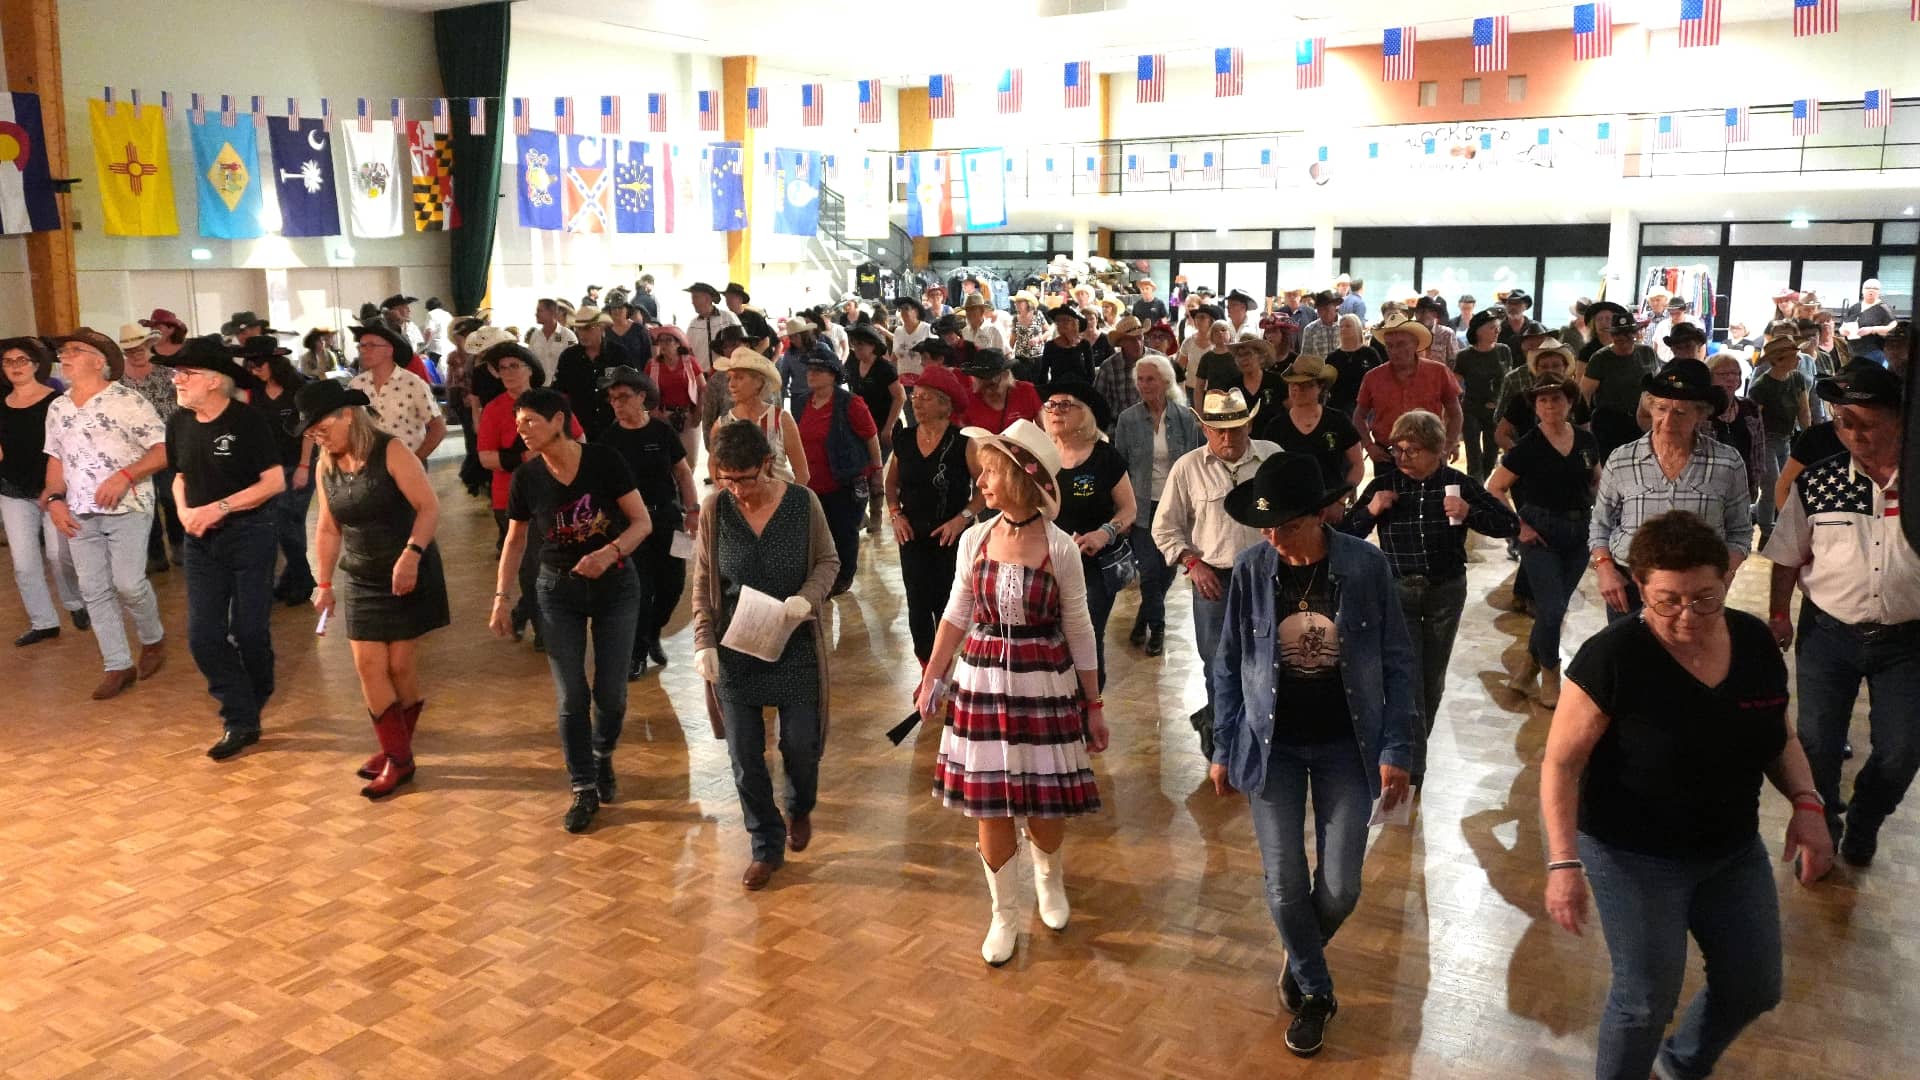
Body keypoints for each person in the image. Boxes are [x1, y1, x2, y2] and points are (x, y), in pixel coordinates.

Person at [1542, 510, 1832, 1080]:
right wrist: (1561, 861)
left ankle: (1677, 1067)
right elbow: (1560, 765)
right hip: (1631, 853)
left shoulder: (1751, 643)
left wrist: (1808, 802)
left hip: (1730, 848)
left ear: (1724, 582)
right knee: (1644, 1000)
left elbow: (1779, 735)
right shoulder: (1613, 656)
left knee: (1754, 985)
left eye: (1704, 599)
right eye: (1666, 601)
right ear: (1640, 589)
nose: (1687, 616)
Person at [1209, 452, 1416, 1058]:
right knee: (1283, 885)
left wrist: (1399, 747)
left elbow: (1401, 662)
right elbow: (1226, 666)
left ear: (1321, 515)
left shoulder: (1366, 566)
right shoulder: (1251, 569)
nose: (1274, 538)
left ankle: (1300, 952)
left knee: (1341, 888)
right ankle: (1317, 991)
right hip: (1269, 745)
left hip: (1347, 745)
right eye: (1265, 528)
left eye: (1287, 526)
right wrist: (1223, 746)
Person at [914, 418, 1107, 966]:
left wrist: (1093, 705)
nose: (981, 482)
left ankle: (1049, 879)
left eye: (992, 471)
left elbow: (1080, 627)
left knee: (1044, 799)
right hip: (982, 680)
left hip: (1043, 682)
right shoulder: (976, 538)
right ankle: (1003, 912)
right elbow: (957, 612)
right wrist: (933, 673)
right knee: (991, 804)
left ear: (1023, 477)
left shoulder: (1061, 547)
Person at [1764, 362, 1916, 866]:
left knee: (1901, 751)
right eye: (1841, 421)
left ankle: (1868, 816)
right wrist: (1779, 615)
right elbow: (1787, 554)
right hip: (1827, 633)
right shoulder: (1818, 483)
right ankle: (1823, 828)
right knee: (1817, 743)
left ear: (1899, 417)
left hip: (1908, 642)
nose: (1851, 433)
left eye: (1864, 421)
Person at [491, 388, 652, 834]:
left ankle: (602, 757)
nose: (521, 431)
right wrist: (502, 598)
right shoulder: (527, 478)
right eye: (518, 423)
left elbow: (643, 522)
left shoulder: (603, 460)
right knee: (572, 696)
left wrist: (609, 553)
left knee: (612, 696)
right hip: (557, 589)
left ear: (558, 420)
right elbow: (515, 540)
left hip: (615, 585)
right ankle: (583, 786)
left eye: (529, 422)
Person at [692, 421, 839, 889]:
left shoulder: (802, 504)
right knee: (743, 756)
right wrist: (703, 643)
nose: (737, 490)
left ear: (768, 465)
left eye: (746, 479)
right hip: (737, 649)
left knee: (800, 744)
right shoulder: (716, 509)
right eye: (726, 479)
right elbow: (702, 584)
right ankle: (765, 845)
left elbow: (828, 562)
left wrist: (808, 597)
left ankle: (799, 806)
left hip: (793, 642)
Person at [1343, 409, 1517, 780]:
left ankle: (1410, 756)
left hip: (1445, 592)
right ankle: (1408, 763)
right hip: (1397, 591)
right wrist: (1371, 511)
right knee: (1406, 677)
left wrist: (1470, 513)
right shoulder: (1384, 484)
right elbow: (1346, 535)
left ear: (1437, 450)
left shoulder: (1458, 483)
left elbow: (1508, 525)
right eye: (1397, 449)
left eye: (1412, 450)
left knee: (1431, 680)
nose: (1402, 457)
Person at [301, 380, 449, 798]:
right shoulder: (326, 464)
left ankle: (393, 750)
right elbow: (329, 527)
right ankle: (399, 758)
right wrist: (324, 582)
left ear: (347, 414)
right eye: (312, 434)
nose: (318, 438)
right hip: (363, 575)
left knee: (400, 667)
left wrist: (412, 554)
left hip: (407, 568)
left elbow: (429, 507)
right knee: (369, 665)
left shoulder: (392, 452)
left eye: (321, 429)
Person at [164, 337, 287, 760]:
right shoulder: (179, 422)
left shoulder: (248, 422)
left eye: (186, 373)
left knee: (250, 631)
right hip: (199, 539)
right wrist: (184, 512)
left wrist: (217, 508)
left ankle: (254, 697)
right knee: (203, 637)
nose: (177, 380)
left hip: (250, 532)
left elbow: (273, 483)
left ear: (215, 381)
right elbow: (179, 475)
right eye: (175, 373)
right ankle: (240, 717)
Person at [1152, 388, 1282, 756]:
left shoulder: (1272, 458)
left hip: (1268, 577)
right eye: (1218, 429)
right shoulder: (1188, 467)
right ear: (1204, 428)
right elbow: (1165, 529)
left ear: (1250, 424)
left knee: (1266, 660)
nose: (1228, 438)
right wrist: (1192, 564)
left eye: (1237, 428)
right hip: (1215, 580)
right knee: (1219, 664)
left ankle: (1262, 736)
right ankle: (1224, 738)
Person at [42, 328, 170, 700]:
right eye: (62, 351)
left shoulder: (127, 401)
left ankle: (153, 637)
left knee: (128, 583)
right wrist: (54, 501)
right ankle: (117, 663)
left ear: (100, 362)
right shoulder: (58, 407)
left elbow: (162, 451)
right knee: (94, 589)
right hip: (80, 511)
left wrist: (125, 476)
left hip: (127, 506)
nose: (64, 356)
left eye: (75, 351)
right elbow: (55, 460)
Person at [1589, 359, 1752, 619]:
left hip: (1697, 592)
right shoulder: (1622, 459)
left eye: (1680, 413)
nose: (1666, 421)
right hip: (1630, 588)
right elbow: (1600, 524)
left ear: (1701, 414)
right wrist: (1605, 569)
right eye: (1661, 408)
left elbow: (1740, 532)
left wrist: (1723, 578)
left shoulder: (1727, 462)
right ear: (1650, 407)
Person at [1485, 376, 1601, 708]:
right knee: (1550, 609)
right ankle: (1551, 672)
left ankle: (1527, 667)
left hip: (1579, 532)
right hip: (1540, 534)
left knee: (1556, 608)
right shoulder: (1528, 446)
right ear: (1535, 407)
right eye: (1542, 401)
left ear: (1570, 402)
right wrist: (1516, 526)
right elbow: (1495, 487)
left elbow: (1597, 481)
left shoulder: (1586, 440)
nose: (1550, 406)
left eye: (1556, 399)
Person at [477, 342, 584, 651]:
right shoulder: (495, 409)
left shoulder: (554, 401)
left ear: (530, 369)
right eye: (503, 367)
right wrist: (522, 458)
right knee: (528, 564)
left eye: (515, 366)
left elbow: (579, 439)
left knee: (552, 560)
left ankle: (539, 615)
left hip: (555, 491)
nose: (509, 372)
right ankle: (542, 627)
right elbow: (485, 458)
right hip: (509, 497)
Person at [597, 367, 699, 679]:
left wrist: (692, 511)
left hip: (668, 519)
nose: (617, 404)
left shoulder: (661, 431)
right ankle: (636, 653)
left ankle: (653, 631)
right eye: (612, 398)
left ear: (642, 397)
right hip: (629, 525)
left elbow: (682, 473)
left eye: (624, 397)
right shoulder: (609, 440)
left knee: (673, 586)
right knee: (641, 589)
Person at [886, 366, 983, 668]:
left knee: (947, 601)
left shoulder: (964, 442)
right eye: (915, 396)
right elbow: (891, 485)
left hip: (949, 536)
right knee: (916, 601)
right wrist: (895, 515)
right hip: (911, 534)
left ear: (945, 404)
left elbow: (985, 489)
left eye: (925, 398)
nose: (916, 402)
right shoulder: (904, 438)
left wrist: (963, 517)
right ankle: (927, 668)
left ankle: (945, 666)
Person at [1041, 381, 1133, 687]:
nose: (1055, 411)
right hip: (1047, 563)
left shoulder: (1105, 457)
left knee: (1086, 635)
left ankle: (1090, 709)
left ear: (1086, 413)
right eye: (1050, 405)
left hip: (1093, 566)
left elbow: (1129, 510)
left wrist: (1103, 534)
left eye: (1065, 404)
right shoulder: (1040, 456)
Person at [1110, 353, 1200, 659]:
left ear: (1165, 381)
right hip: (1141, 506)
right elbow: (1118, 465)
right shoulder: (1128, 419)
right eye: (1140, 379)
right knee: (1148, 571)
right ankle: (1157, 629)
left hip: (1176, 505)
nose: (1144, 384)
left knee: (1166, 573)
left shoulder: (1186, 418)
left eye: (1150, 379)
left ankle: (1142, 619)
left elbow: (1195, 461)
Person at [1, 337, 86, 645]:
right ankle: (43, 621)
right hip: (12, 488)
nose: (15, 367)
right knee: (23, 562)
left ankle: (75, 602)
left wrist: (55, 489)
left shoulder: (58, 402)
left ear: (36, 365)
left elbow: (70, 448)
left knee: (59, 553)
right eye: (8, 362)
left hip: (54, 489)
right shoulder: (1, 403)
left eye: (21, 361)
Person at [236, 337, 318, 607]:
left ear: (274, 362)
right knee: (283, 525)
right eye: (250, 364)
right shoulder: (254, 391)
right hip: (269, 467)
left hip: (298, 464)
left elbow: (309, 430)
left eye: (258, 363)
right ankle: (294, 579)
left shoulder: (298, 389)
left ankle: (302, 579)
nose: (254, 369)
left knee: (288, 521)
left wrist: (304, 466)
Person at [795, 353, 880, 594]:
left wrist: (877, 472)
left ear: (833, 375)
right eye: (809, 369)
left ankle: (844, 576)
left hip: (845, 481)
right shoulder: (802, 402)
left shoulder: (850, 403)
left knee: (844, 531)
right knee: (819, 534)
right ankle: (823, 575)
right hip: (812, 482)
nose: (811, 374)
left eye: (818, 371)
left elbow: (870, 437)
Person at [116, 323, 185, 575]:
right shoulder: (117, 382)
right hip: (134, 452)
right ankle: (155, 554)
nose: (137, 352)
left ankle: (179, 546)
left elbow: (183, 409)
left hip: (168, 447)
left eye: (141, 347)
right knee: (145, 504)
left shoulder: (168, 375)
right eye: (131, 349)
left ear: (149, 345)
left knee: (171, 497)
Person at [1353, 314, 1463, 471]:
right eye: (1389, 346)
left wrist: (1448, 445)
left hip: (1429, 453)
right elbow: (1358, 416)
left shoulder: (1439, 372)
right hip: (1387, 455)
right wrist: (1369, 446)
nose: (1395, 350)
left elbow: (1456, 413)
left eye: (1401, 344)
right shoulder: (1372, 377)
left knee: (1431, 496)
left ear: (1416, 344)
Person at [1260, 355, 1362, 496]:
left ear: (1320, 387)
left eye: (1305, 384)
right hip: (1291, 506)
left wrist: (1341, 499)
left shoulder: (1338, 420)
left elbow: (1357, 465)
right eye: (1293, 384)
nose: (1297, 389)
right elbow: (1266, 471)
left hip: (1331, 501)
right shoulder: (1276, 426)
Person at [1746, 335, 1811, 546]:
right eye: (1794, 356)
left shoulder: (1797, 379)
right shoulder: (1761, 386)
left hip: (1785, 439)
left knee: (1788, 484)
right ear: (1779, 360)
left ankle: (1774, 524)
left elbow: (1804, 410)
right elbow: (1755, 422)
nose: (1798, 359)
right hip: (1765, 441)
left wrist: (1808, 438)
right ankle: (1767, 531)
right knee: (1772, 486)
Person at [348, 324, 445, 462]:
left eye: (372, 345)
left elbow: (438, 428)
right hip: (371, 466)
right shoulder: (356, 385)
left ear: (389, 350)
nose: (364, 351)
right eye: (362, 346)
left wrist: (416, 460)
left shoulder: (413, 384)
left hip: (407, 463)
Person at [711, 350, 807, 486]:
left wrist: (791, 502)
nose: (731, 384)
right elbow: (714, 468)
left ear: (758, 382)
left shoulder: (781, 419)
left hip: (781, 500)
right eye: (729, 378)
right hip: (741, 502)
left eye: (739, 377)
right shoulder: (722, 425)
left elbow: (802, 473)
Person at [1581, 308, 1659, 460]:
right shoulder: (1600, 358)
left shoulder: (1647, 353)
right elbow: (1585, 393)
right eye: (1617, 333)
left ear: (1635, 333)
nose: (1622, 337)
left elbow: (1656, 386)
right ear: (1611, 335)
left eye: (1627, 333)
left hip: (1641, 420)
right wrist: (1585, 426)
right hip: (1609, 422)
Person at [552, 306, 633, 440]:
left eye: (588, 328)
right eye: (578, 329)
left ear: (601, 327)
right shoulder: (568, 357)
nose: (582, 334)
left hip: (615, 426)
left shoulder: (618, 354)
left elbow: (632, 387)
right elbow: (559, 392)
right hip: (580, 429)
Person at [1706, 353, 1767, 513]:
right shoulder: (1701, 410)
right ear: (1709, 376)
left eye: (1736, 373)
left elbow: (1758, 448)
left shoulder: (1749, 407)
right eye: (1724, 374)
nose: (1731, 378)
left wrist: (1756, 481)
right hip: (1709, 485)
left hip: (1743, 483)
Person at [1455, 311, 1511, 482]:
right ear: (1478, 331)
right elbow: (1455, 384)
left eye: (1498, 328)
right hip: (1472, 408)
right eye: (1492, 328)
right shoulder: (1464, 356)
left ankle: (1479, 488)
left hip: (1496, 412)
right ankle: (1475, 492)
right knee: (1474, 455)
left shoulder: (1503, 350)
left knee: (1491, 455)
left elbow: (1508, 380)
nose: (1497, 331)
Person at [642, 324, 705, 466]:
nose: (663, 344)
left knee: (690, 461)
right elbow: (644, 392)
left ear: (678, 343)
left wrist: (698, 413)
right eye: (661, 341)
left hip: (688, 416)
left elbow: (703, 389)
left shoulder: (689, 362)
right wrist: (654, 412)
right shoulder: (652, 365)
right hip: (663, 416)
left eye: (668, 340)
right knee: (666, 461)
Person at [958, 349, 1042, 432]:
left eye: (994, 380)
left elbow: (1045, 427)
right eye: (982, 378)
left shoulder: (1026, 391)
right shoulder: (967, 399)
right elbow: (963, 435)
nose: (989, 389)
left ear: (1006, 375)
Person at [1321, 313, 1380, 418]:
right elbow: (1326, 385)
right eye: (1341, 326)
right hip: (1339, 408)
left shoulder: (1369, 353)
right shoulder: (1333, 357)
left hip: (1366, 407)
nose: (1343, 329)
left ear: (1357, 328)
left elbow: (1379, 379)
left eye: (1348, 326)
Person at [1092, 315, 1152, 418]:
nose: (1138, 344)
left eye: (1139, 337)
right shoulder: (1108, 368)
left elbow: (1171, 396)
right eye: (1131, 340)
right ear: (1121, 343)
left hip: (1155, 425)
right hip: (1120, 426)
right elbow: (1098, 403)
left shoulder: (1159, 361)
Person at [683, 282, 743, 373]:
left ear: (707, 299)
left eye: (695, 297)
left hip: (726, 373)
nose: (692, 302)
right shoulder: (693, 324)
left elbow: (741, 343)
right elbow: (689, 351)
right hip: (702, 376)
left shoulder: (728, 317)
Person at [1039, 305, 1096, 387]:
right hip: (1057, 391)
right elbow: (1043, 375)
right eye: (1058, 321)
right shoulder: (1050, 346)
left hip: (1081, 392)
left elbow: (1091, 375)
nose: (1061, 323)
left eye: (1065, 320)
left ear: (1075, 323)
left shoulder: (1084, 345)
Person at [523, 298, 577, 381]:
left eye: (540, 311)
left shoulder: (569, 336)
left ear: (552, 313)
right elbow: (530, 361)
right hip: (539, 386)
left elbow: (575, 361)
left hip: (560, 386)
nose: (536, 314)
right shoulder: (535, 336)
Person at [721, 283, 776, 355]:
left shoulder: (755, 317)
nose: (728, 301)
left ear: (740, 299)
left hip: (755, 359)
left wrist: (751, 356)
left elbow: (765, 342)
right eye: (727, 298)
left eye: (731, 297)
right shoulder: (724, 318)